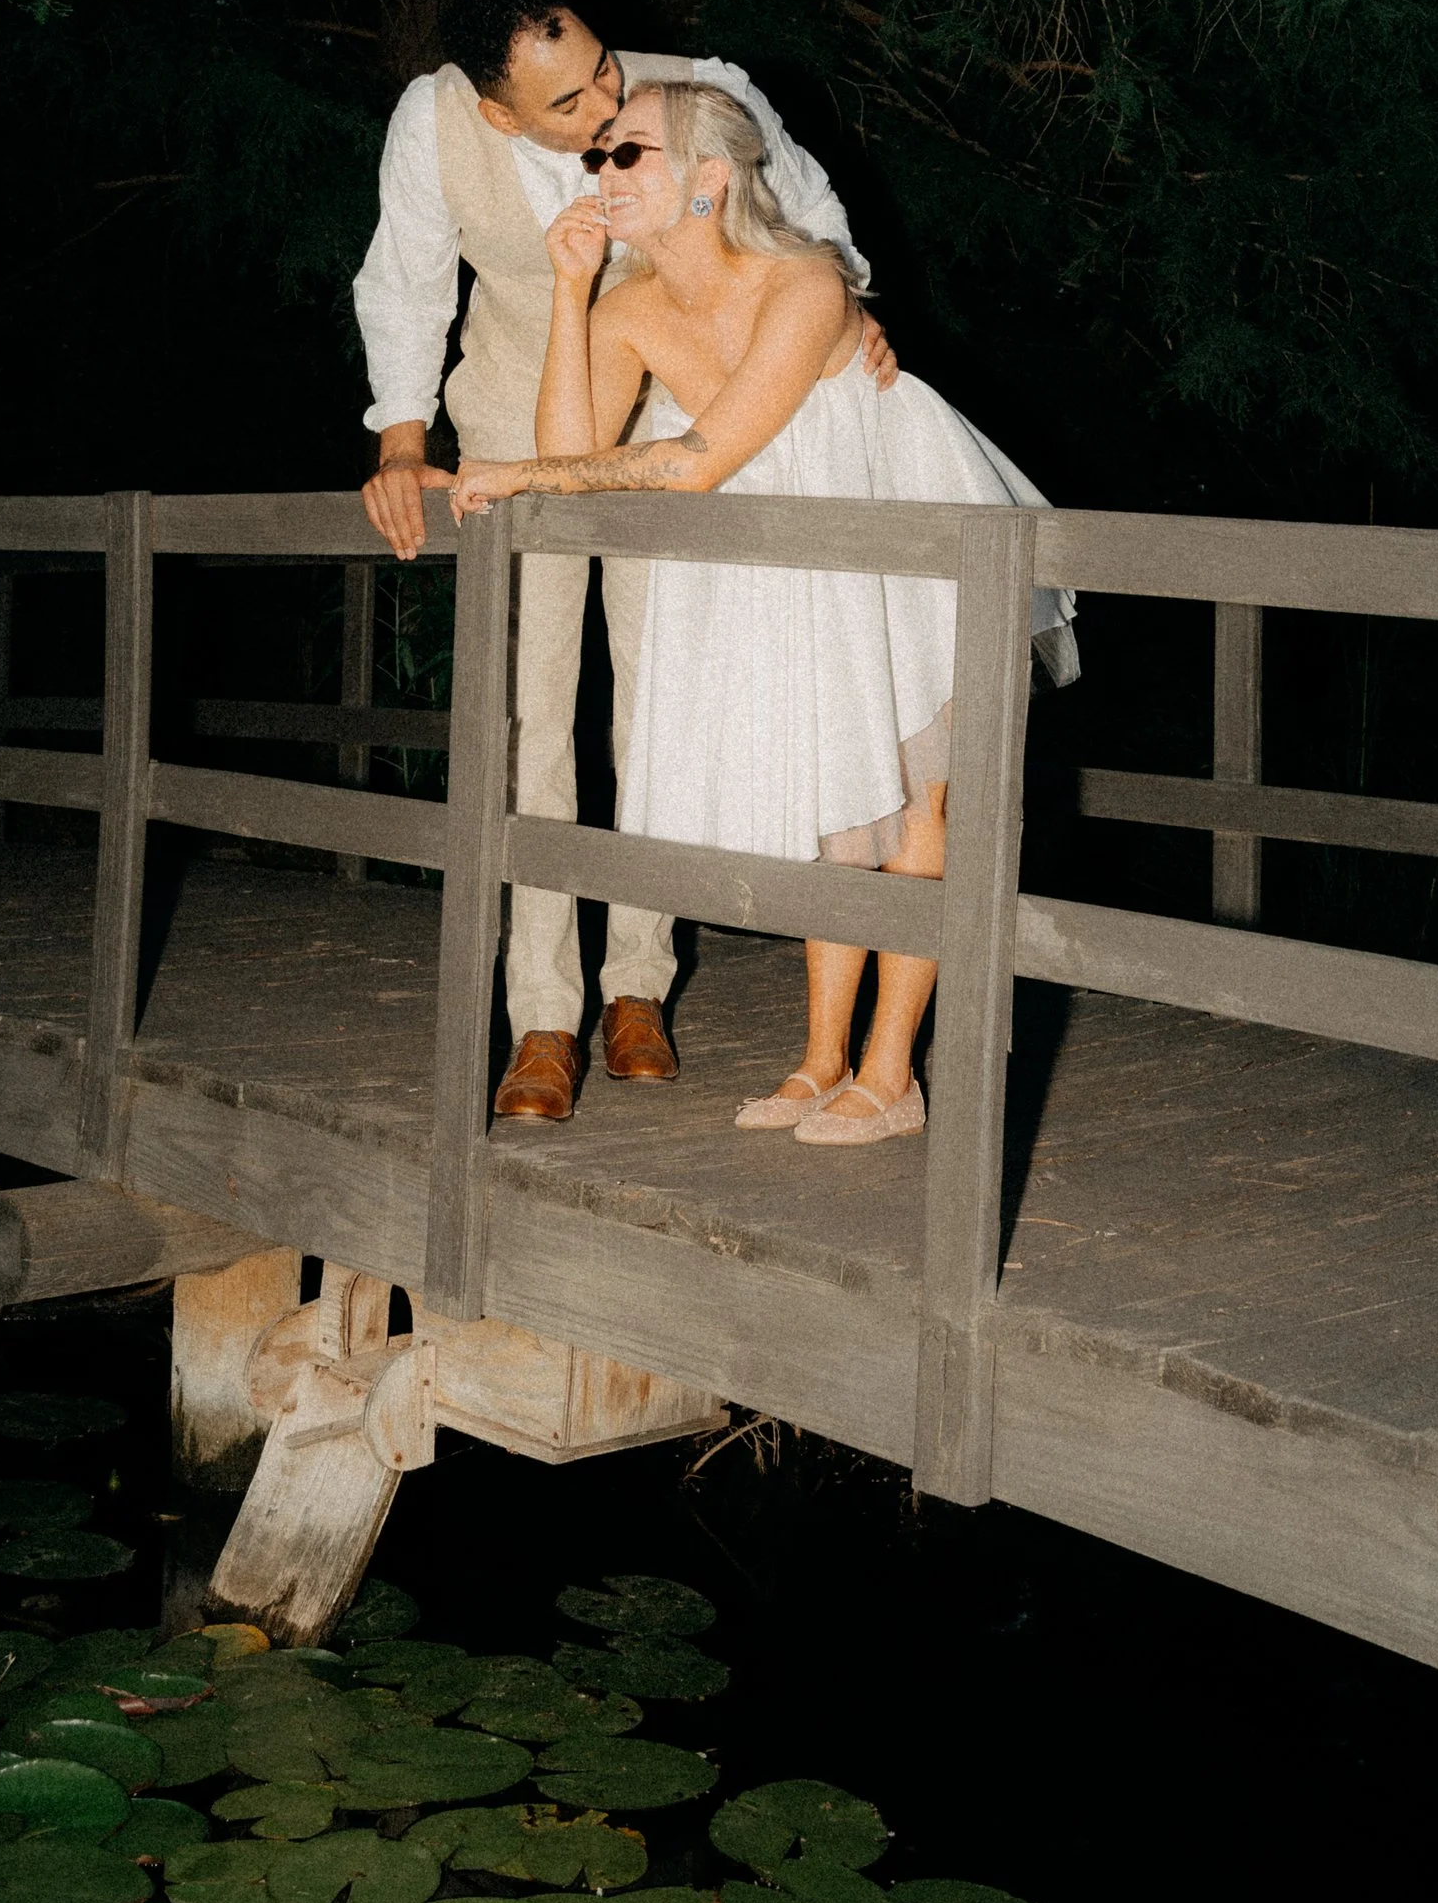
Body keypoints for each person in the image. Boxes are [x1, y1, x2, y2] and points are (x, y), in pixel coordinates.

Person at [449, 79, 1076, 1149]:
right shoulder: (633, 300)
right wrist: (568, 288)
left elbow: (692, 462)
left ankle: (893, 1073)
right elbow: (577, 454)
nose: (600, 173)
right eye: (597, 157)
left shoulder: (806, 278)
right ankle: (820, 1061)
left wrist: (511, 470)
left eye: (626, 153)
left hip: (899, 511)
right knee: (841, 802)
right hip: (796, 544)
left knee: (926, 794)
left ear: (706, 177)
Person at [353, 0, 890, 1126]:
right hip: (516, 430)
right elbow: (404, 278)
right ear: (498, 110)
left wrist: (851, 314)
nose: (604, 105)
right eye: (568, 105)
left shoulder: (695, 97)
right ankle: (540, 1012)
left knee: (659, 706)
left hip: (675, 429)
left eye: (602, 68)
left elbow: (817, 223)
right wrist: (403, 438)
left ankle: (636, 981)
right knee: (528, 715)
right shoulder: (436, 120)